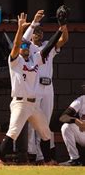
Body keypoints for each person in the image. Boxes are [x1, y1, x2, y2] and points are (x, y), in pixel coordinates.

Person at [0, 12, 67, 166]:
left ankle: (47, 160)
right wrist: (20, 29)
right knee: (13, 132)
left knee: (45, 133)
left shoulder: (34, 60)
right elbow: (15, 45)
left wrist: (60, 29)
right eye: (23, 46)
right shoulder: (15, 61)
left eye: (26, 46)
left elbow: (47, 48)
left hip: (33, 105)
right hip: (20, 103)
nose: (25, 48)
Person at [22, 9, 68, 163]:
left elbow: (64, 39)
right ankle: (31, 153)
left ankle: (43, 156)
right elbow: (22, 39)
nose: (38, 34)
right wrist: (33, 23)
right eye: (36, 32)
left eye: (41, 32)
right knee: (30, 121)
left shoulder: (48, 45)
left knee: (45, 122)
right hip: (33, 87)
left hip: (47, 87)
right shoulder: (28, 48)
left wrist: (63, 24)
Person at [58, 84, 85, 166]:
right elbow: (63, 117)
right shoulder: (82, 100)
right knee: (66, 127)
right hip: (83, 134)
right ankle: (75, 159)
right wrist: (76, 121)